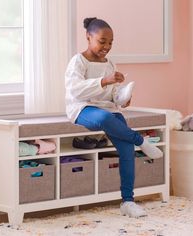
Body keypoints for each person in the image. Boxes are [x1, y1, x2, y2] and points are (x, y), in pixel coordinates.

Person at [65, 17, 163, 218]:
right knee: (103, 118)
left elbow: (113, 95)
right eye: (102, 41)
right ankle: (140, 140)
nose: (107, 46)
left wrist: (122, 98)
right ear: (88, 37)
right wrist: (103, 80)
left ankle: (128, 201)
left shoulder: (109, 63)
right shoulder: (78, 61)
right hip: (83, 109)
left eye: (110, 42)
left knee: (126, 149)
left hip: (109, 109)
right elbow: (75, 90)